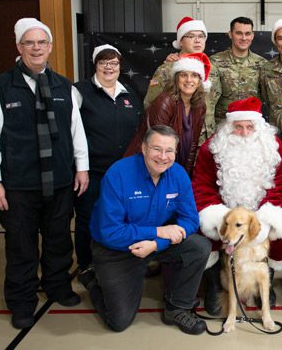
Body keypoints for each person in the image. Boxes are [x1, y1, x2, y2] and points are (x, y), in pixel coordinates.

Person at [0, 18, 89, 329]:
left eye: (42, 42)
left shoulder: (64, 86)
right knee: (21, 245)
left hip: (59, 181)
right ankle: (21, 301)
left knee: (58, 240)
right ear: (19, 47)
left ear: (50, 47)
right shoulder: (1, 87)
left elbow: (75, 130)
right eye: (30, 43)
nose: (36, 48)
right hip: (18, 184)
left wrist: (81, 167)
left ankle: (57, 286)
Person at [85, 125, 210, 334]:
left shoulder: (178, 175)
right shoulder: (118, 174)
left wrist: (156, 244)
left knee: (199, 247)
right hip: (116, 248)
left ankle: (177, 307)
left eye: (169, 151)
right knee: (119, 321)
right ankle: (91, 280)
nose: (163, 157)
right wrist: (159, 232)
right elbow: (111, 233)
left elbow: (190, 219)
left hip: (152, 244)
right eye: (156, 149)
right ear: (143, 148)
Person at [192, 96, 282, 315]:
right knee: (198, 228)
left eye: (249, 127)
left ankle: (266, 279)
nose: (243, 133)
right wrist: (219, 218)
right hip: (225, 214)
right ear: (228, 127)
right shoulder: (212, 148)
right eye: (238, 127)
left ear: (258, 127)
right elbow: (201, 186)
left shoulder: (272, 146)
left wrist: (265, 222)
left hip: (261, 213)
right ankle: (216, 281)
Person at [73, 44, 143, 285]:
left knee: (122, 217)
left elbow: (139, 132)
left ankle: (120, 260)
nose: (109, 67)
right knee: (87, 217)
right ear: (95, 65)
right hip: (92, 171)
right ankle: (86, 265)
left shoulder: (130, 94)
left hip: (124, 172)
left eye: (113, 62)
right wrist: (80, 167)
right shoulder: (79, 92)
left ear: (120, 66)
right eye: (103, 62)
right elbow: (72, 131)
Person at [124, 52, 209, 177]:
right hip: (148, 165)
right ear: (176, 79)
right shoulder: (165, 102)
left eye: (194, 76)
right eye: (183, 75)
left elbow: (192, 146)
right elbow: (156, 144)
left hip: (174, 165)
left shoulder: (199, 106)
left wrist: (184, 175)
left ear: (200, 80)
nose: (189, 80)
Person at [143, 16, 209, 109]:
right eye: (191, 36)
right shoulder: (166, 69)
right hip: (176, 123)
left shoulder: (212, 68)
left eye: (201, 36)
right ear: (180, 41)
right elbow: (151, 103)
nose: (197, 40)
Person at [209, 17, 265, 125]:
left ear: (252, 35)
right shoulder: (215, 62)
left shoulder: (262, 64)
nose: (244, 38)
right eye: (239, 33)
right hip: (223, 126)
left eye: (247, 33)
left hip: (252, 126)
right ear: (230, 34)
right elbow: (209, 101)